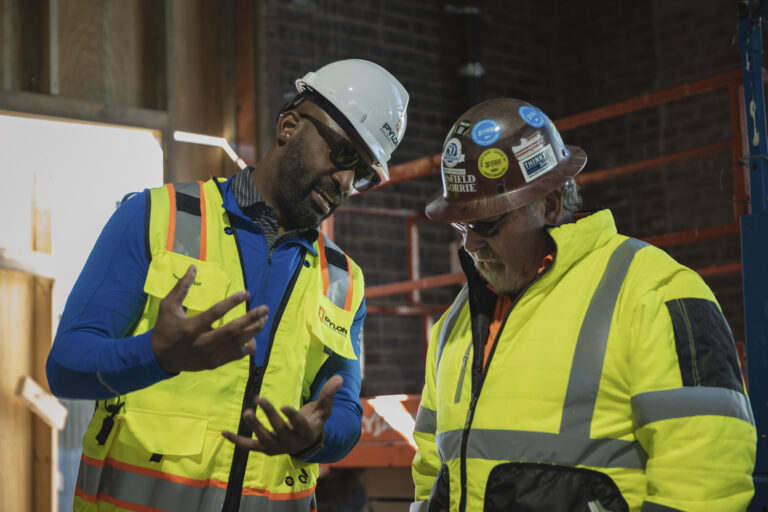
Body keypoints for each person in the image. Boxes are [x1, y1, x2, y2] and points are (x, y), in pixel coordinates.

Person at [46, 58, 409, 512]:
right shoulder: (154, 218)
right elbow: (65, 365)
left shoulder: (343, 280)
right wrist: (156, 357)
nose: (344, 180)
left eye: (363, 176)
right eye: (343, 154)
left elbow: (345, 411)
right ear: (290, 126)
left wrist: (316, 437)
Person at [410, 98, 756, 511]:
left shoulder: (655, 292)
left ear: (551, 205)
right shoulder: (457, 320)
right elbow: (433, 468)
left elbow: (704, 481)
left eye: (488, 223)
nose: (470, 244)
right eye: (461, 224)